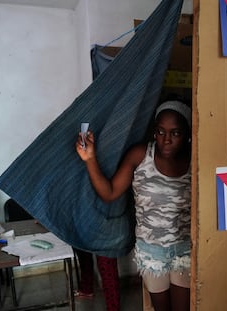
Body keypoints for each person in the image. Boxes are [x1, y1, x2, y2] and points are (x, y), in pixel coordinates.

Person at [76, 100, 191, 311]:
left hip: (185, 250)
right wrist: (90, 159)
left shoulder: (195, 161)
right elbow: (109, 193)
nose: (166, 140)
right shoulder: (141, 155)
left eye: (175, 133)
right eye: (160, 132)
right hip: (151, 253)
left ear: (187, 135)